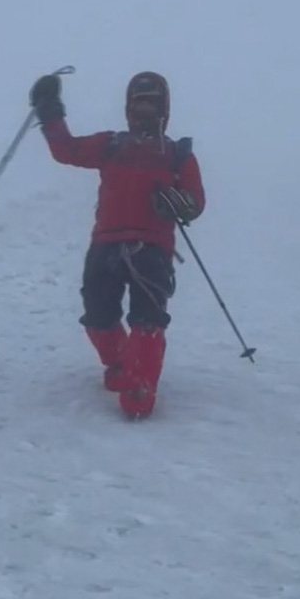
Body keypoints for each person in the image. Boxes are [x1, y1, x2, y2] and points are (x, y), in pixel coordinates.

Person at [29, 70, 205, 419]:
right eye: (139, 104)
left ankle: (140, 388)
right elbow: (66, 150)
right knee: (97, 314)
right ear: (128, 108)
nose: (144, 112)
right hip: (106, 244)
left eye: (152, 104)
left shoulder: (177, 155)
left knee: (148, 318)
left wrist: (177, 202)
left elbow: (195, 203)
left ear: (163, 110)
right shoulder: (111, 145)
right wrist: (50, 111)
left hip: (152, 247)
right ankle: (120, 364)